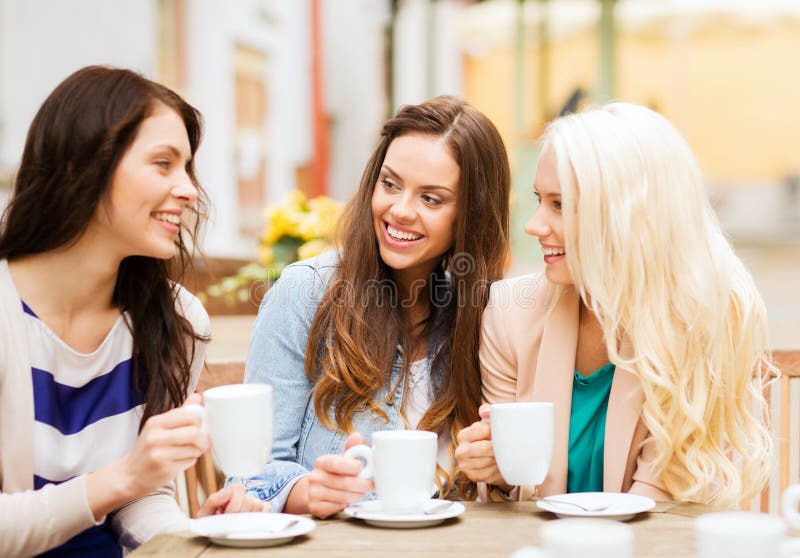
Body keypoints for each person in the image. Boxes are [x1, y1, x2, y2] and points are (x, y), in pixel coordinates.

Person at [0, 66, 266, 557]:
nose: (188, 189)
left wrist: (191, 538)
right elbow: (126, 482)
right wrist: (124, 476)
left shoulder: (178, 321)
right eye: (163, 164)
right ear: (80, 166)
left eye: (187, 167)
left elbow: (143, 496)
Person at [455, 102, 774, 507]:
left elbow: (662, 501)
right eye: (539, 199)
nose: (533, 226)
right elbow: (514, 494)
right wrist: (496, 470)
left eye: (560, 205)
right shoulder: (509, 312)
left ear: (626, 215)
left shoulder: (707, 317)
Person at [240, 96, 510, 518]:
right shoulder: (304, 293)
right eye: (390, 184)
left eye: (431, 199)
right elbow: (247, 475)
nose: (399, 210)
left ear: (470, 216)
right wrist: (307, 492)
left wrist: (501, 468)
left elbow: (506, 484)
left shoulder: (484, 312)